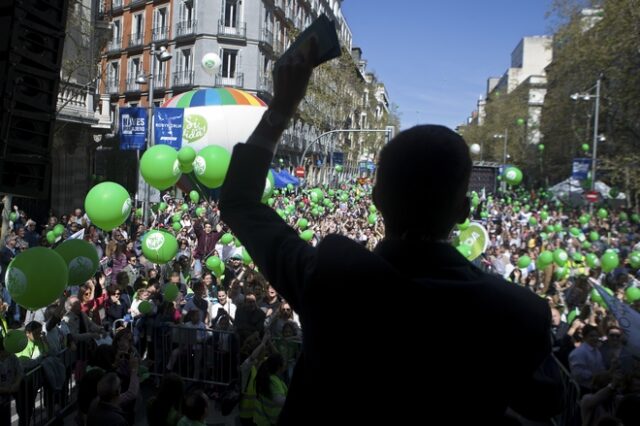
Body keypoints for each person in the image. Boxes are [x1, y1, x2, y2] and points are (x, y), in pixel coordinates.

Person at [219, 39, 555, 425]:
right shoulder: (520, 314)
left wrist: (282, 106)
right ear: (463, 211)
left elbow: (240, 202)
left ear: (377, 198)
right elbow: (544, 405)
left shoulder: (332, 276)